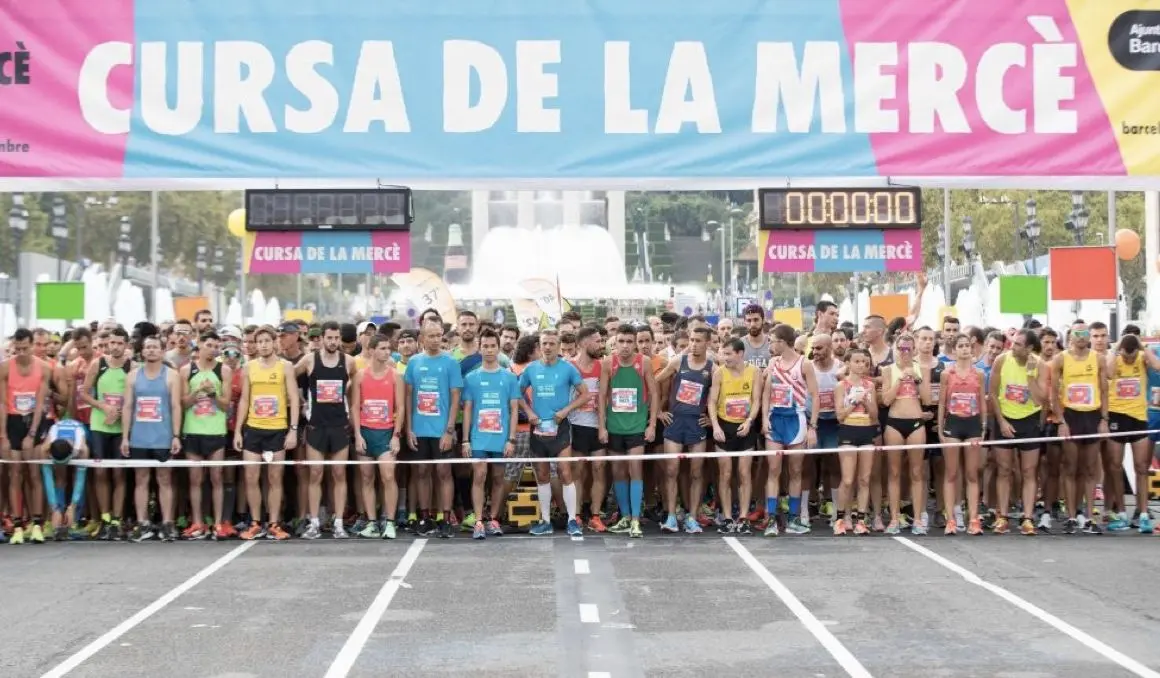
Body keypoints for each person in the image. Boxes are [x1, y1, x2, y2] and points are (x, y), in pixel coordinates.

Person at [234, 326, 300, 541]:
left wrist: (293, 430)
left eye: (266, 341)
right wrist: (238, 431)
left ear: (274, 343)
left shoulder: (285, 366)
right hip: (253, 429)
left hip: (277, 429)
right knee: (251, 477)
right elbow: (245, 399)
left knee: (275, 478)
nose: (263, 345)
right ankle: (255, 522)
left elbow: (294, 399)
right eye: (259, 341)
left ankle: (274, 523)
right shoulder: (249, 367)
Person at [519, 330, 587, 537]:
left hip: (561, 427)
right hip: (538, 428)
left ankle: (572, 520)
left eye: (551, 343)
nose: (547, 347)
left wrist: (566, 410)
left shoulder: (568, 368)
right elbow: (516, 393)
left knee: (565, 472)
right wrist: (529, 412)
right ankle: (546, 521)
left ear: (558, 346)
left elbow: (585, 394)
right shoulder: (531, 369)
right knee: (542, 475)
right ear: (539, 346)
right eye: (544, 343)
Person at [296, 321, 357, 540]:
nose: (333, 342)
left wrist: (350, 406)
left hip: (340, 425)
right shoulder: (309, 359)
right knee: (315, 473)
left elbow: (356, 385)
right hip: (316, 426)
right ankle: (314, 523)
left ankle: (338, 523)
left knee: (339, 473)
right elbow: (289, 376)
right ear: (321, 338)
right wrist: (301, 400)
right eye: (329, 338)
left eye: (336, 338)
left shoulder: (348, 361)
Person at [121, 335, 184, 542]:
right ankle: (143, 523)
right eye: (147, 347)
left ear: (162, 351)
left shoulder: (172, 375)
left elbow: (176, 406)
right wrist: (125, 437)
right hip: (139, 438)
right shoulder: (133, 376)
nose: (151, 350)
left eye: (155, 347)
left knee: (164, 479)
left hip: (162, 437)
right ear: (142, 351)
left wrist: (176, 435)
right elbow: (127, 407)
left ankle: (167, 523)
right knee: (141, 480)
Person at [404, 320, 463, 538]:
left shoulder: (450, 362)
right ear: (422, 338)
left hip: (441, 430)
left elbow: (456, 397)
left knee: (443, 471)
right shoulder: (414, 362)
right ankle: (424, 517)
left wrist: (449, 430)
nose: (436, 340)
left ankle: (445, 519)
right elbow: (408, 397)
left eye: (439, 335)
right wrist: (409, 429)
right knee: (421, 472)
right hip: (419, 429)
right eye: (431, 336)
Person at [598, 324, 658, 539]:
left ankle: (635, 519)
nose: (625, 346)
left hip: (636, 427)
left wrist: (652, 425)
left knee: (635, 470)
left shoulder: (645, 362)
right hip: (614, 427)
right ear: (615, 343)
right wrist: (602, 426)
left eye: (629, 342)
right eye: (621, 342)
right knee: (618, 473)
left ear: (635, 343)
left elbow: (654, 393)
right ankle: (624, 516)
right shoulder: (608, 363)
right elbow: (601, 396)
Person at [460, 328, 521, 540]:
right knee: (479, 475)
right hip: (478, 438)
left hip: (501, 438)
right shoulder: (471, 378)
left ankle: (494, 519)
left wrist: (511, 439)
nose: (488, 350)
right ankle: (478, 521)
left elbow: (514, 410)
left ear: (498, 348)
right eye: (485, 346)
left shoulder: (509, 377)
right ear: (479, 348)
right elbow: (467, 410)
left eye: (492, 346)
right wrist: (465, 440)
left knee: (497, 478)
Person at [1050, 321, 1109, 535]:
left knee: (1089, 469)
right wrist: (1061, 421)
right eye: (1078, 333)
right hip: (1071, 416)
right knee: (1070, 467)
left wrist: (1104, 419)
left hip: (1092, 416)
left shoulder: (1098, 358)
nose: (1082, 337)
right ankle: (1072, 516)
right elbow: (1053, 393)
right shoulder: (1060, 359)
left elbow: (1104, 390)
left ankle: (1090, 517)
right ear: (1070, 337)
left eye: (1085, 333)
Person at [761, 324, 819, 537]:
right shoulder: (773, 362)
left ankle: (794, 518)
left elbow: (815, 395)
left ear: (783, 342)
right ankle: (771, 519)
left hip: (796, 420)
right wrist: (764, 419)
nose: (770, 345)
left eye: (772, 341)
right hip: (775, 420)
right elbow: (766, 393)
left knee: (795, 471)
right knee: (773, 470)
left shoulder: (804, 364)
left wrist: (813, 426)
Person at [655, 326, 714, 533]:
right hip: (675, 422)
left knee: (696, 473)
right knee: (671, 470)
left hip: (696, 424)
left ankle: (692, 517)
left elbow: (719, 396)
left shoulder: (713, 368)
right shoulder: (678, 362)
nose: (694, 344)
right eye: (692, 340)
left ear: (708, 343)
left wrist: (712, 419)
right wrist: (658, 412)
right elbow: (653, 382)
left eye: (698, 340)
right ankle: (671, 516)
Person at [990, 329, 1046, 536]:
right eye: (1013, 343)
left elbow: (1040, 400)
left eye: (1019, 344)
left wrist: (1030, 376)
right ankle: (1002, 517)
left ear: (1029, 348)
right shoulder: (1001, 360)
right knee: (1004, 470)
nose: (1013, 347)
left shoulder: (1040, 364)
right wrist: (1002, 422)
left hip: (1029, 420)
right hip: (1005, 419)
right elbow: (992, 394)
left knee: (1029, 471)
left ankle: (1028, 518)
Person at [0, 328, 52, 544]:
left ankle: (37, 523)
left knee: (34, 473)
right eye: (17, 349)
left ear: (32, 346)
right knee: (15, 473)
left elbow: (40, 404)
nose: (21, 353)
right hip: (13, 420)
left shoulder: (44, 368)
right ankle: (18, 524)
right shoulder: (5, 367)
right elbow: (3, 404)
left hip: (34, 421)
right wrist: (3, 435)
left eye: (25, 348)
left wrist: (32, 433)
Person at [180, 331, 233, 540]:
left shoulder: (224, 370)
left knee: (216, 477)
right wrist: (197, 392)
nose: (212, 349)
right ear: (200, 345)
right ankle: (197, 522)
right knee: (195, 479)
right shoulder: (186, 370)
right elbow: (183, 403)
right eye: (209, 345)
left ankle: (218, 523)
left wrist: (213, 394)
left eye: (216, 346)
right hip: (193, 430)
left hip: (215, 430)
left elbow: (226, 405)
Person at [351, 334, 405, 539]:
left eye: (388, 348)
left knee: (388, 476)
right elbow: (355, 407)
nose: (387, 352)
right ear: (371, 350)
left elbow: (400, 407)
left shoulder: (395, 376)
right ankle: (372, 522)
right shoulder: (360, 376)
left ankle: (389, 522)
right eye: (382, 348)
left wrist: (396, 435)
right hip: (366, 432)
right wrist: (358, 435)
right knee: (366, 478)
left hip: (386, 433)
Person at [1106, 334, 1160, 533]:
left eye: (1132, 356)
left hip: (1138, 417)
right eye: (1126, 356)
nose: (1129, 360)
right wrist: (1116, 348)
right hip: (1116, 416)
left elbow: (1157, 366)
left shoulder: (1142, 357)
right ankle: (1121, 514)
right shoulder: (1114, 357)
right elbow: (1108, 373)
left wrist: (1142, 346)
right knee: (1115, 466)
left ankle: (1143, 514)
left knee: (1141, 467)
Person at [82, 326, 132, 540]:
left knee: (119, 473)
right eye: (112, 343)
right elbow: (84, 393)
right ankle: (104, 517)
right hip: (100, 425)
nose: (115, 347)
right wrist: (103, 406)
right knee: (101, 472)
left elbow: (135, 396)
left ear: (126, 345)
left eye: (120, 343)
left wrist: (120, 412)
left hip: (121, 427)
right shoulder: (98, 364)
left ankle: (117, 519)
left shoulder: (131, 366)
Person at [707, 337, 761, 534]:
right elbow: (712, 401)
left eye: (728, 354)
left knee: (744, 473)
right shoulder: (719, 373)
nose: (725, 357)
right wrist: (715, 426)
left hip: (745, 427)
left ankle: (744, 517)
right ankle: (728, 517)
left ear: (740, 354)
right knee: (726, 474)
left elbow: (756, 400)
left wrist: (749, 421)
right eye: (723, 354)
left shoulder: (754, 372)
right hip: (724, 426)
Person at [937, 333, 988, 535]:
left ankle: (973, 519)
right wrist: (940, 428)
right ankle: (950, 519)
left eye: (968, 345)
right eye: (961, 346)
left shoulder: (979, 374)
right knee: (951, 473)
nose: (965, 349)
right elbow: (942, 402)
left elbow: (982, 401)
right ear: (954, 350)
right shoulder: (947, 373)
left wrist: (983, 426)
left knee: (972, 474)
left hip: (973, 423)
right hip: (953, 423)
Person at [881, 333, 930, 535]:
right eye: (901, 348)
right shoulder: (888, 370)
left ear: (914, 350)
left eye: (908, 349)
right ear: (895, 349)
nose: (904, 352)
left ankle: (918, 519)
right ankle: (894, 518)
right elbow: (885, 400)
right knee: (894, 472)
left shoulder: (921, 369)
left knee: (917, 472)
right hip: (895, 421)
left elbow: (927, 399)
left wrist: (917, 380)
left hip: (916, 422)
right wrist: (900, 380)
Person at [833, 349, 879, 535]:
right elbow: (839, 415)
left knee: (864, 479)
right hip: (848, 431)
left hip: (866, 432)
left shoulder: (870, 386)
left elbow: (874, 416)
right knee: (847, 479)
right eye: (857, 361)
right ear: (848, 363)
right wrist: (854, 401)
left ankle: (861, 519)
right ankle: (841, 518)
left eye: (864, 362)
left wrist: (865, 401)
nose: (861, 365)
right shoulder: (841, 385)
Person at [568, 326, 607, 532]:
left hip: (597, 426)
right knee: (578, 472)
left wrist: (603, 425)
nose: (601, 345)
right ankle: (575, 515)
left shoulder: (603, 365)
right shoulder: (570, 366)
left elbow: (605, 396)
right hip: (576, 426)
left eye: (602, 341)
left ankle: (595, 515)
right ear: (584, 343)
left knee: (599, 470)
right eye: (597, 341)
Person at [40, 417, 90, 541]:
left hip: (78, 431)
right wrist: (54, 508)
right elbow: (48, 478)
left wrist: (72, 506)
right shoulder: (46, 447)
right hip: (59, 433)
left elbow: (80, 479)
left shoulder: (81, 447)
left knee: (75, 477)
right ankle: (58, 516)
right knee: (59, 478)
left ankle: (75, 519)